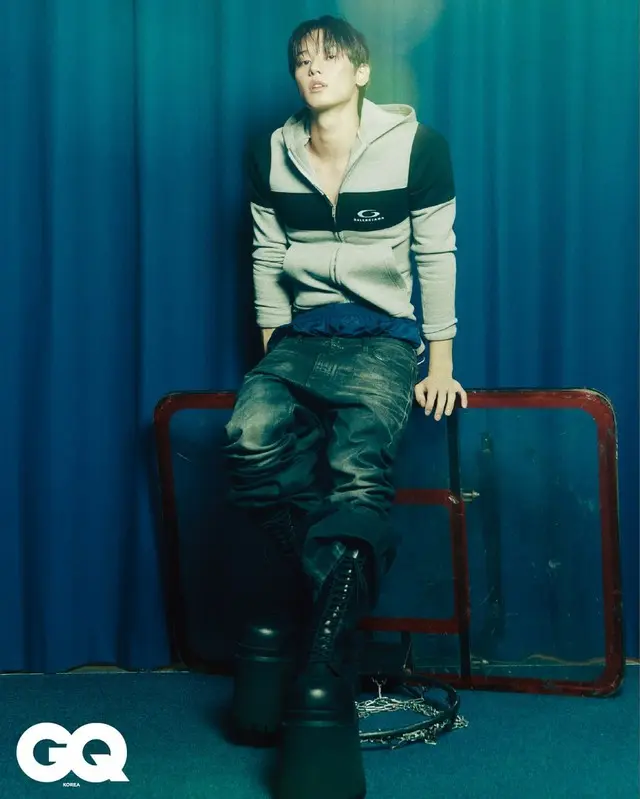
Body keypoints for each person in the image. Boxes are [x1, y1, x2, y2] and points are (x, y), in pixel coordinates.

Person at [223, 14, 467, 799]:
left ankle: (326, 651)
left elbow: (435, 250)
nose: (314, 69)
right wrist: (273, 349)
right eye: (302, 60)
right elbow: (266, 250)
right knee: (248, 440)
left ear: (362, 72)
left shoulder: (417, 147)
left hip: (383, 341)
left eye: (330, 58)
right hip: (300, 336)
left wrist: (440, 361)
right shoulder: (271, 151)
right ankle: (333, 596)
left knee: (359, 477)